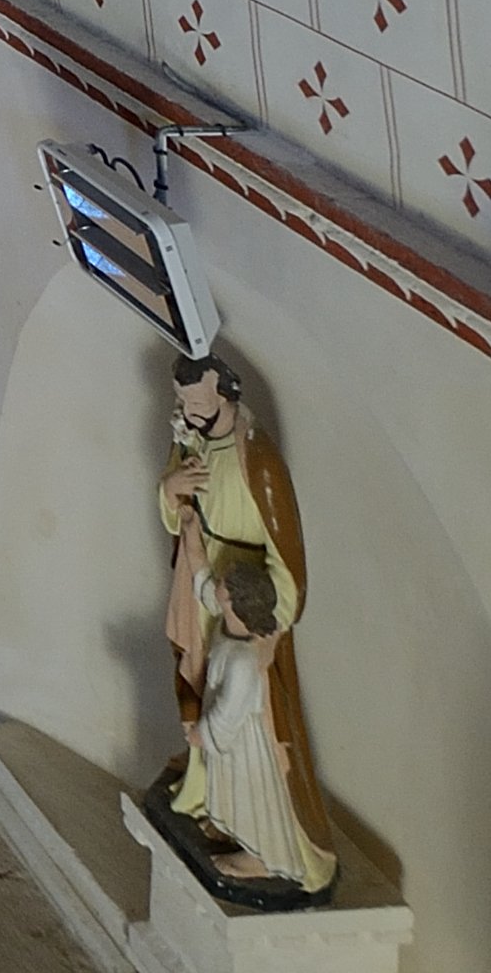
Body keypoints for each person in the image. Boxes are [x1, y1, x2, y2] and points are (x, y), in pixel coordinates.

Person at [153, 351, 338, 904]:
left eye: (199, 406)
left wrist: (262, 622)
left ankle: (274, 843)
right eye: (183, 404)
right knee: (197, 676)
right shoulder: (191, 438)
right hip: (207, 576)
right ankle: (204, 793)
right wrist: (171, 490)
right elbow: (173, 507)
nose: (188, 414)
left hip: (246, 597)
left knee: (251, 723)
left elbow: (287, 562)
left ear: (227, 399)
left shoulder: (259, 461)